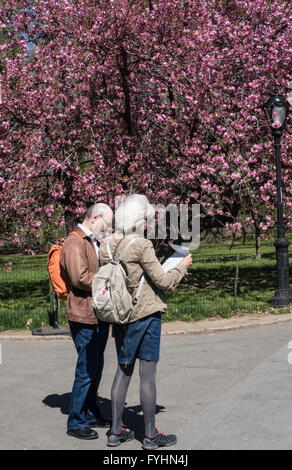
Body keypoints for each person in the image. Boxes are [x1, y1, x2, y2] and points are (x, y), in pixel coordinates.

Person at [98, 194, 192, 449]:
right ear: (138, 221)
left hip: (121, 316)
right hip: (146, 315)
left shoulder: (107, 245)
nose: (149, 224)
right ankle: (150, 435)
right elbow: (163, 281)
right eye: (147, 220)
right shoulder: (141, 246)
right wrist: (182, 266)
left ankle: (115, 431)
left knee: (123, 369)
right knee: (147, 373)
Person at [60, 203, 113, 440]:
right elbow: (79, 277)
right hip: (83, 315)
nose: (108, 228)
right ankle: (76, 421)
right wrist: (109, 279)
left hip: (96, 313)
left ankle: (90, 411)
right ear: (95, 217)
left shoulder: (90, 240)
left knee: (95, 366)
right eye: (106, 223)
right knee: (86, 369)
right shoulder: (74, 241)